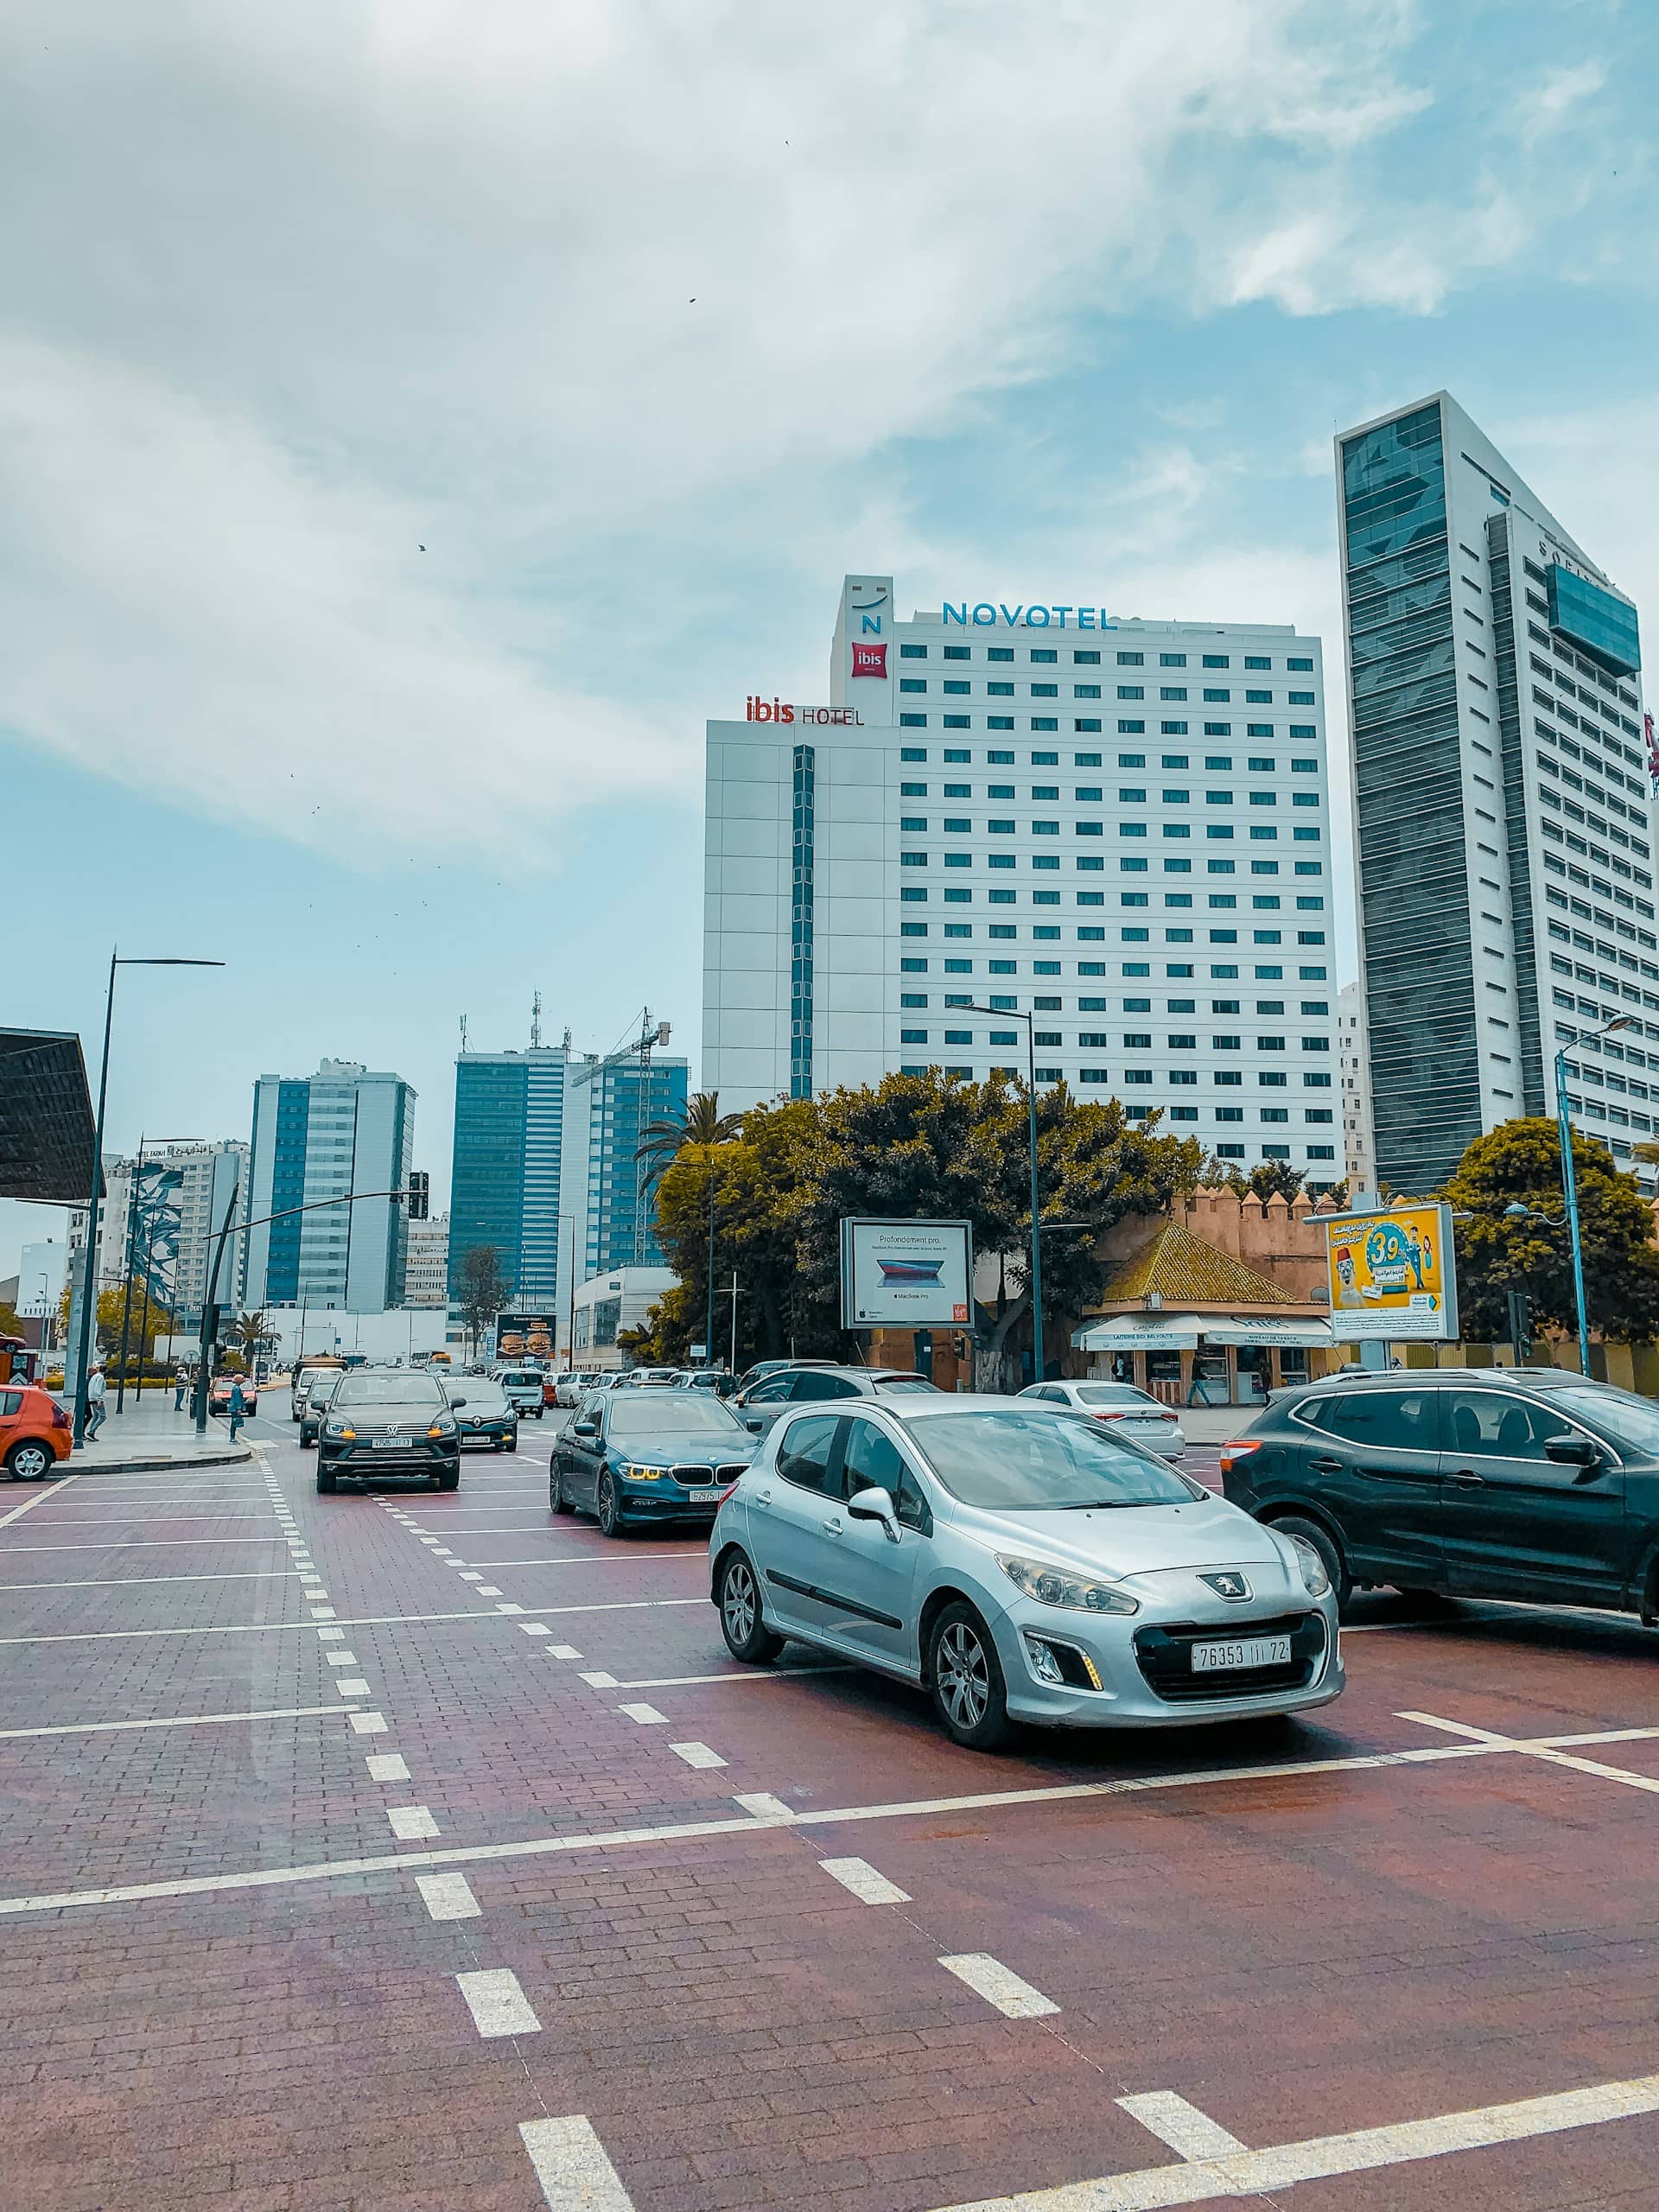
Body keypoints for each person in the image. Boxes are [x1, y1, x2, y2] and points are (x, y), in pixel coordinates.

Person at [85, 1361, 108, 1441]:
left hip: (91, 1398)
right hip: (97, 1399)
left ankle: (92, 1432)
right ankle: (91, 1431)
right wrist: (99, 1399)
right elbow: (98, 1389)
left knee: (96, 1416)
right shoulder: (100, 1377)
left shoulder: (94, 1376)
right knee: (103, 1416)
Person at [227, 1374, 246, 1442]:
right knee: (234, 1423)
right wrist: (239, 1408)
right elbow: (237, 1399)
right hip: (234, 1408)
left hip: (233, 1407)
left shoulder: (236, 1388)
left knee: (234, 1423)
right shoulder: (237, 1388)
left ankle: (232, 1437)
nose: (243, 1381)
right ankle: (232, 1437)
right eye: (242, 1379)